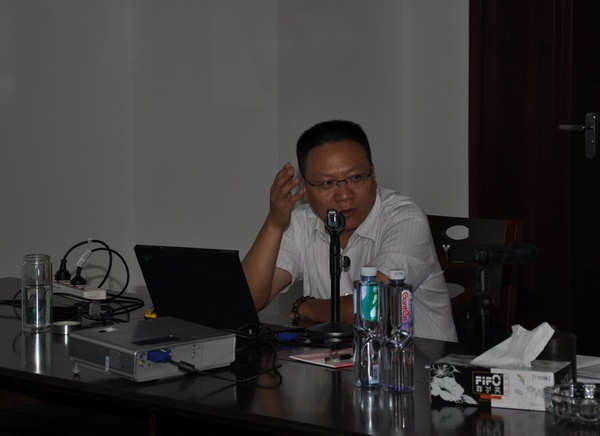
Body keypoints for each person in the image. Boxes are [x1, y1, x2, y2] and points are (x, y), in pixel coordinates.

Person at [242, 120, 457, 342]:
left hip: (416, 359)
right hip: (339, 359)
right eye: (326, 183)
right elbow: (246, 303)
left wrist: (306, 307)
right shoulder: (300, 222)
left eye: (355, 178)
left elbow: (373, 308)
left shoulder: (405, 218)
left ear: (372, 173)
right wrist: (274, 224)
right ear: (305, 188)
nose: (344, 195)